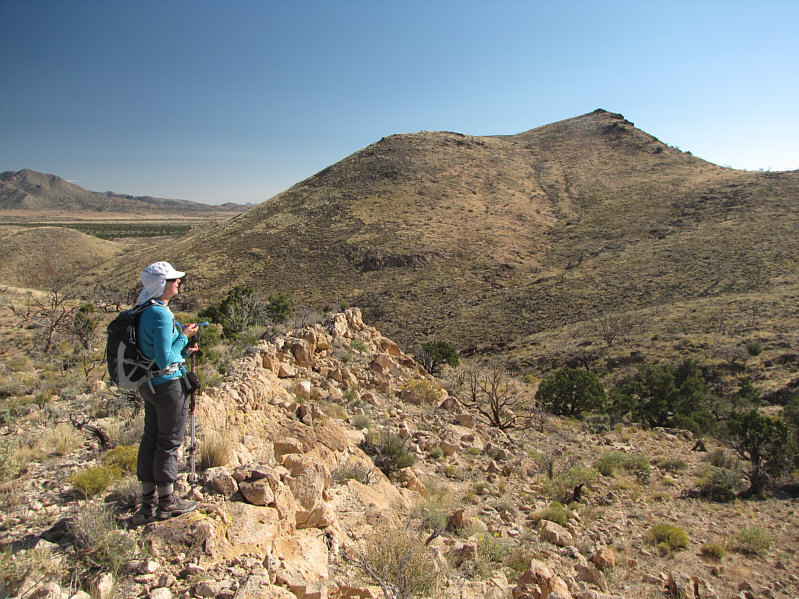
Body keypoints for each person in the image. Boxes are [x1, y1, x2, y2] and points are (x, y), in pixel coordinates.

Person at [131, 261, 199, 524]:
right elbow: (163, 359)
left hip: (149, 385)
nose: (178, 282)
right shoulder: (160, 314)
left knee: (151, 437)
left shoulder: (143, 309)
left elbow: (158, 354)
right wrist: (184, 336)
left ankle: (148, 502)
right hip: (167, 385)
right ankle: (167, 502)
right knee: (168, 442)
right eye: (173, 279)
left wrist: (183, 351)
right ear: (162, 284)